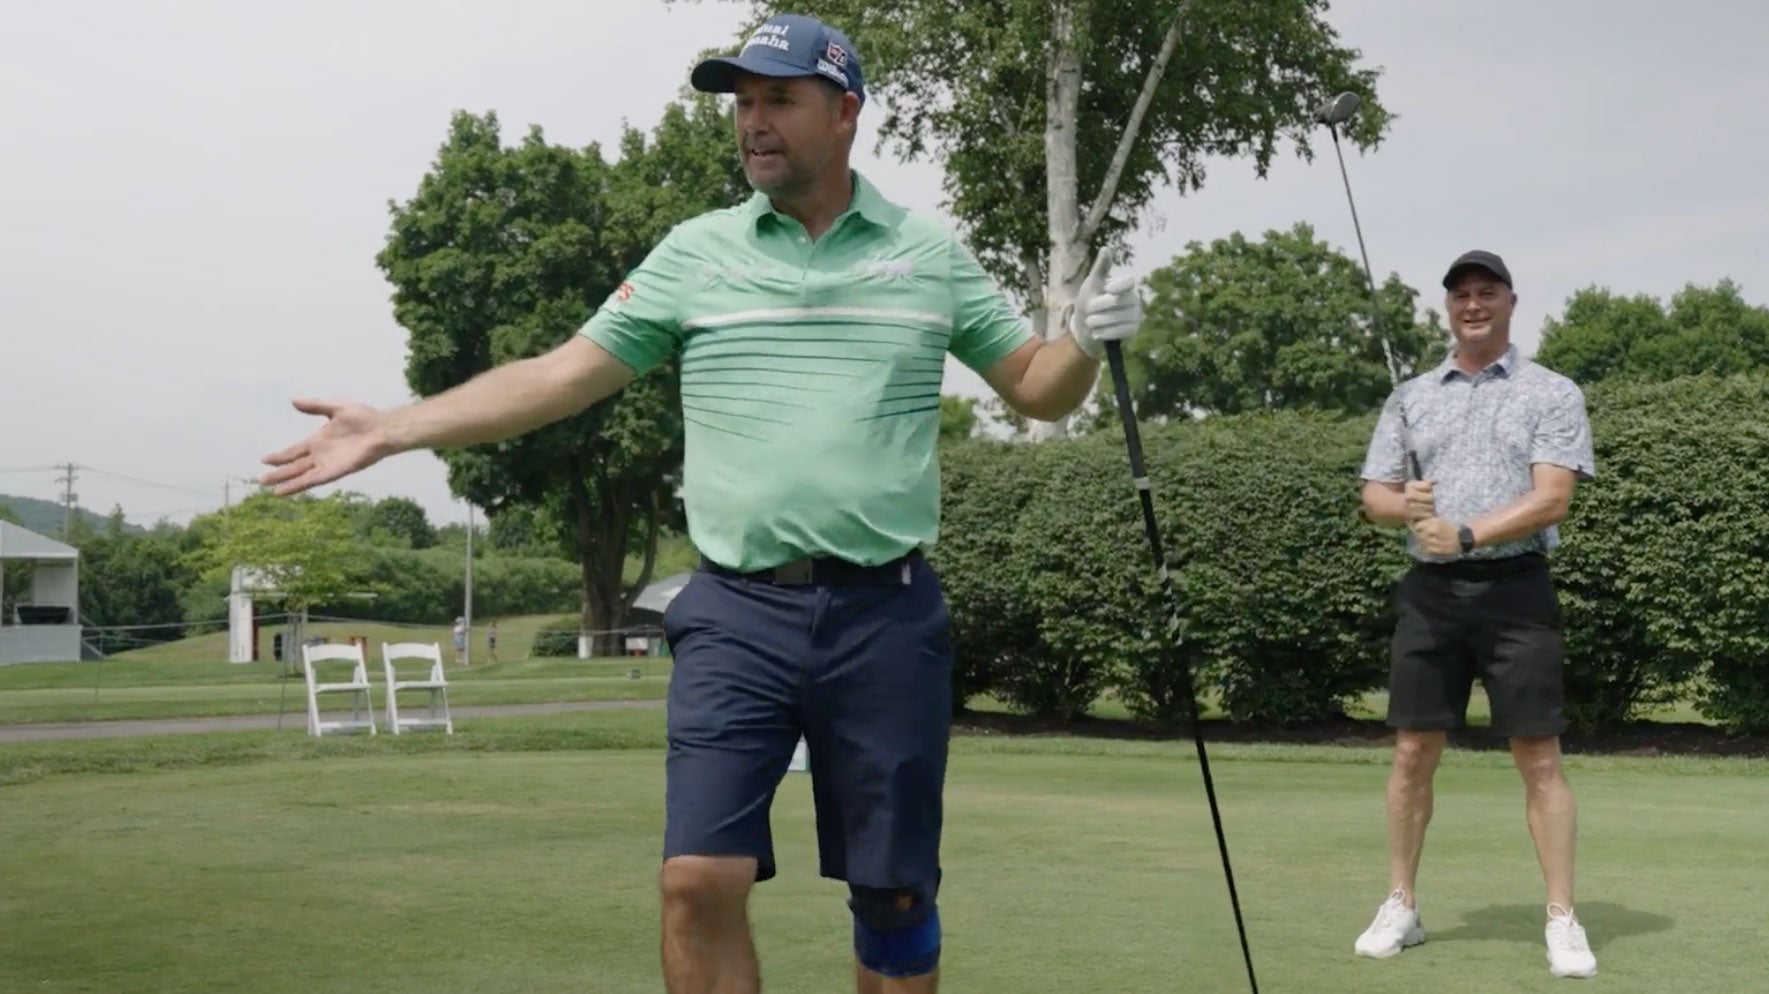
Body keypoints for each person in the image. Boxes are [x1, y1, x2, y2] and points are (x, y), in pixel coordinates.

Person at [258, 13, 1145, 993]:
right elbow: (558, 376)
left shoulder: (925, 254)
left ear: (843, 111)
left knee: (892, 894)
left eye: (777, 99)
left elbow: (1031, 385)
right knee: (696, 880)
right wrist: (394, 427)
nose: (751, 123)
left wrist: (1084, 346)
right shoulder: (695, 254)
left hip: (884, 613)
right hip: (734, 609)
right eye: (741, 103)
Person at [1354, 250, 1599, 979]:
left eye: (1484, 292)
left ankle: (1560, 917)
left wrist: (1466, 531)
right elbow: (1374, 496)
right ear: (1448, 308)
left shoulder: (1549, 391)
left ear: (1509, 302)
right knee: (1410, 753)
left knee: (1538, 757)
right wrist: (1407, 507)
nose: (1471, 304)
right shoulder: (1410, 396)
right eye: (1460, 294)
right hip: (1430, 594)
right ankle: (1401, 902)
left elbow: (1553, 497)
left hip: (1515, 591)